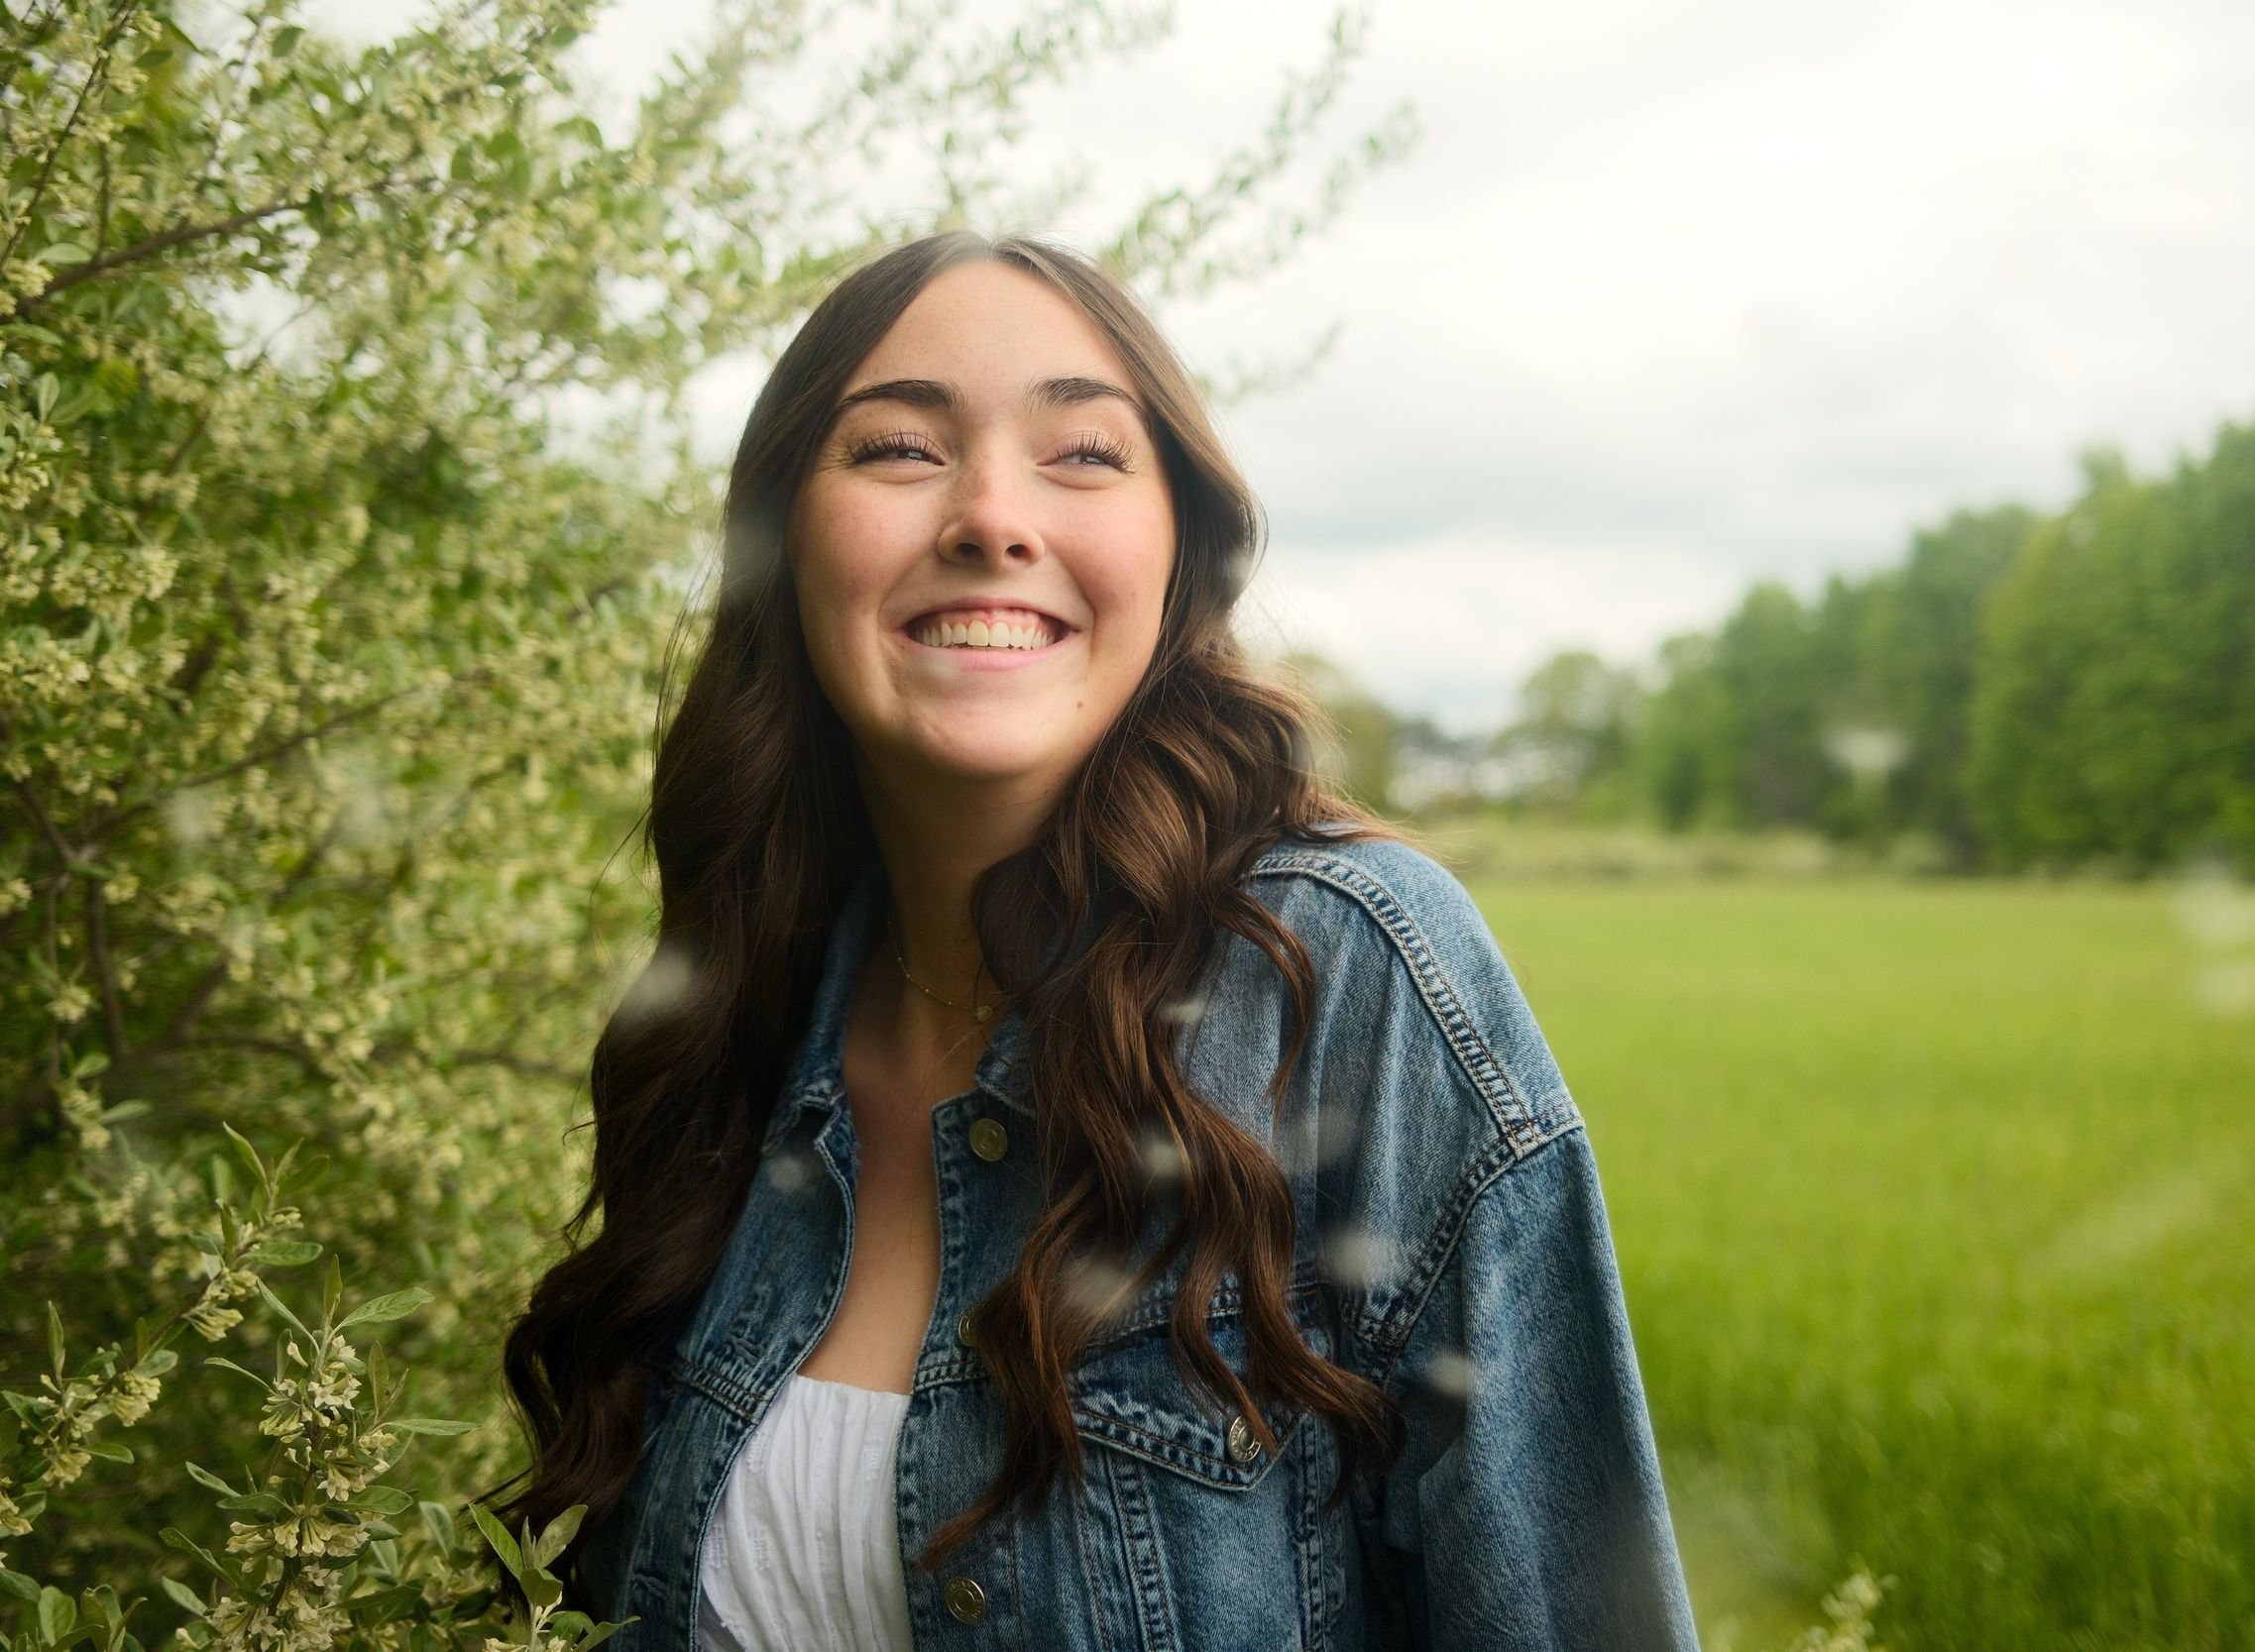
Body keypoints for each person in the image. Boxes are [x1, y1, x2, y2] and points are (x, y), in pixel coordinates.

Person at [498, 228, 1700, 1651]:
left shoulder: (1346, 976)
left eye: (1083, 455)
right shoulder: (737, 1022)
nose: (993, 517)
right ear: (782, 542)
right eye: (896, 448)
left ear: (1177, 547)